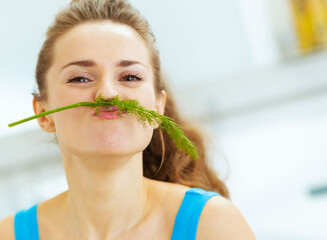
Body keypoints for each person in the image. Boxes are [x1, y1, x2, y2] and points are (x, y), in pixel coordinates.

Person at [0, 0, 256, 239]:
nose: (108, 93)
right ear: (43, 114)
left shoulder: (213, 225)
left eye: (130, 77)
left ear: (158, 108)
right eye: (80, 78)